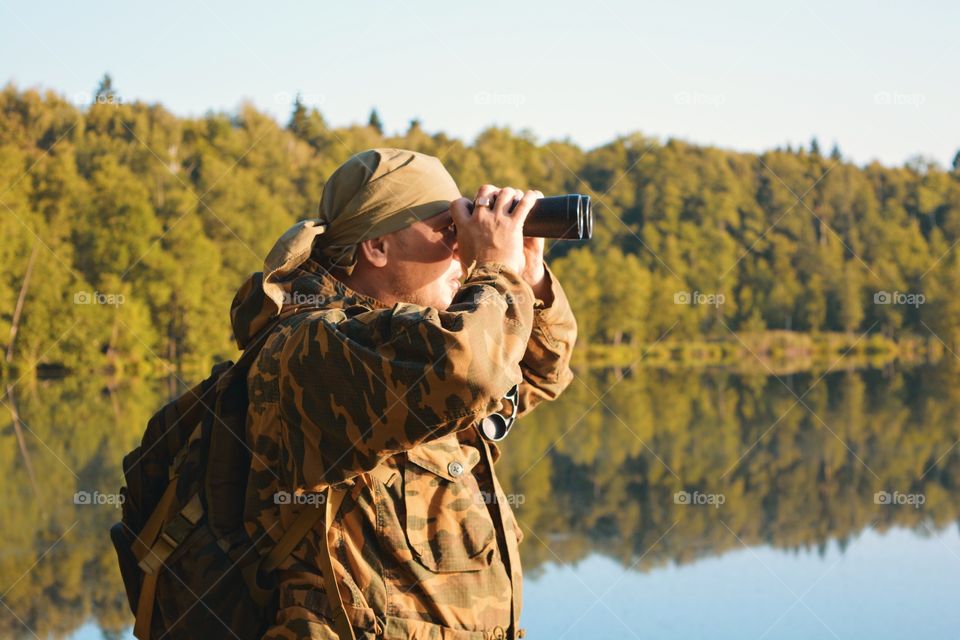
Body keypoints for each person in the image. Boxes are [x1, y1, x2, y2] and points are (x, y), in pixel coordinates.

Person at [230, 148, 577, 639]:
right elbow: (471, 372)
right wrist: (495, 269)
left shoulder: (420, 346)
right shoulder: (311, 348)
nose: (461, 252)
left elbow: (539, 375)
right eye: (448, 230)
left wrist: (528, 278)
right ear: (377, 246)